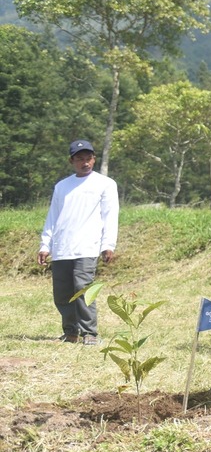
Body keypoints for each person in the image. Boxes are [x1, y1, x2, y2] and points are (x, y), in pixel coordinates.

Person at [38, 139, 119, 346]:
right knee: (63, 293)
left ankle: (89, 333)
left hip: (87, 246)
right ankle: (71, 332)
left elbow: (111, 215)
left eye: (89, 159)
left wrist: (108, 244)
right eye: (80, 159)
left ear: (94, 159)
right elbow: (53, 217)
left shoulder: (105, 184)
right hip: (62, 248)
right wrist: (45, 245)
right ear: (71, 161)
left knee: (83, 289)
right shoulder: (62, 186)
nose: (85, 163)